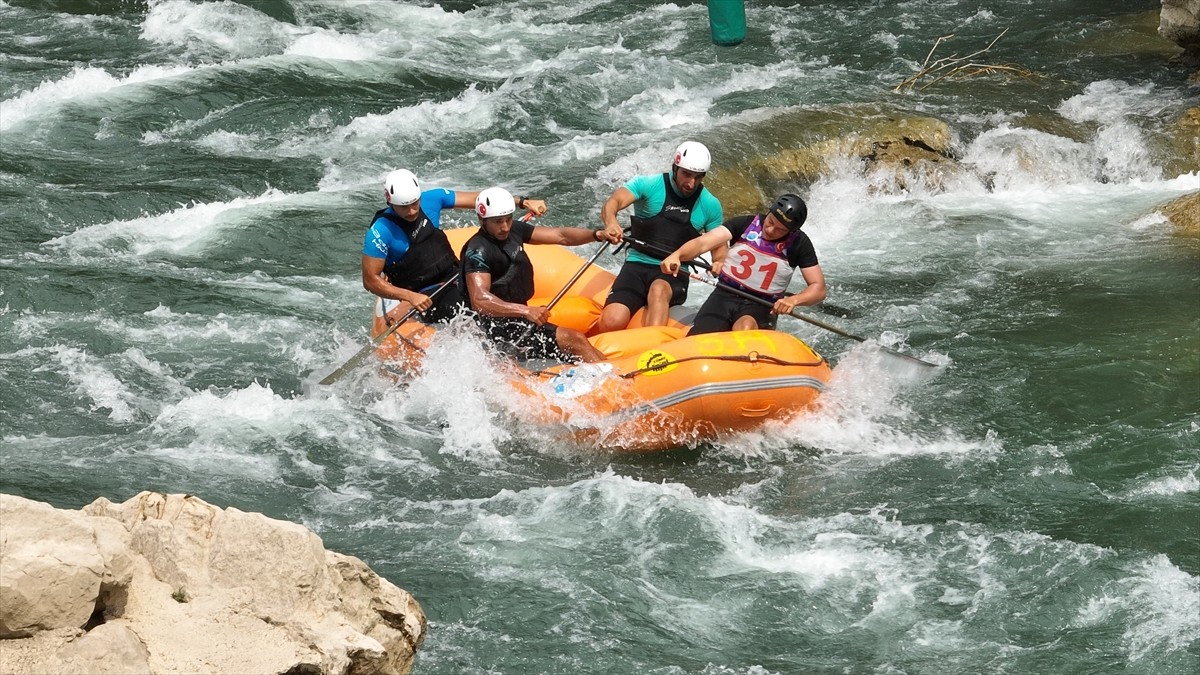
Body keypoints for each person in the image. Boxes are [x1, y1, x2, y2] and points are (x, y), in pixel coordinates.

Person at [361, 169, 547, 324]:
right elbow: (370, 280)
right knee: (474, 313)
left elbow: (481, 200)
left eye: (414, 203)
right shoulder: (380, 232)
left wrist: (522, 201)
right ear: (390, 201)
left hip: (455, 275)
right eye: (404, 206)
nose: (411, 211)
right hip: (426, 293)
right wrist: (410, 297)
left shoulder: (431, 199)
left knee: (502, 291)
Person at [461, 187, 608, 364]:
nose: (505, 227)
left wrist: (597, 235)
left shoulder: (513, 230)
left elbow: (561, 236)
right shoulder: (478, 250)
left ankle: (613, 375)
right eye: (498, 222)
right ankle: (613, 383)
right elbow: (480, 300)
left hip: (517, 318)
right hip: (494, 327)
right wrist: (525, 311)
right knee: (574, 339)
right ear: (481, 219)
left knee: (579, 341)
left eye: (508, 219)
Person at [595, 141, 725, 332]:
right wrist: (611, 223)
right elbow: (613, 202)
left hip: (674, 273)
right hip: (636, 265)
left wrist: (719, 262)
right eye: (686, 174)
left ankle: (649, 349)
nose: (691, 183)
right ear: (675, 167)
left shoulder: (710, 204)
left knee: (658, 290)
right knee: (612, 321)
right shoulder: (648, 185)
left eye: (698, 177)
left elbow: (720, 248)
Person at [660, 193, 826, 335]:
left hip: (762, 305)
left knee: (744, 327)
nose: (770, 230)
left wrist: (794, 300)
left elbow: (818, 288)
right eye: (771, 221)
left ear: (791, 231)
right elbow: (703, 242)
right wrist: (678, 255)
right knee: (698, 338)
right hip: (724, 295)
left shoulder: (799, 243)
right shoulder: (745, 223)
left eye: (780, 230)